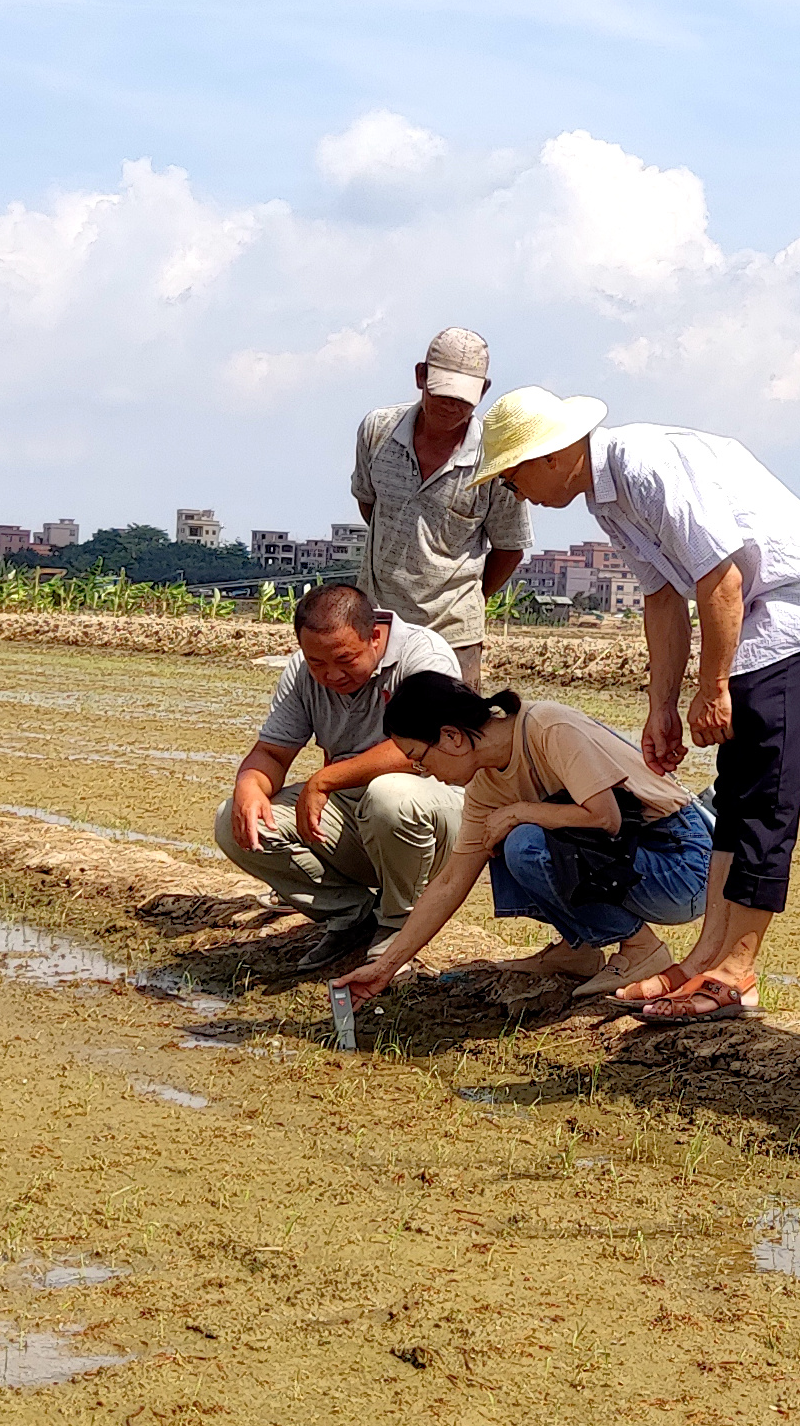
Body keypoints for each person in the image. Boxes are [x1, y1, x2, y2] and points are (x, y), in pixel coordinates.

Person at [462, 387, 800, 1025]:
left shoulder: (644, 465)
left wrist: (713, 687)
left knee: (766, 799)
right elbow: (664, 596)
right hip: (755, 627)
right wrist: (661, 705)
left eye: (514, 475)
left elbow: (722, 578)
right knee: (739, 790)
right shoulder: (608, 500)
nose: (516, 493)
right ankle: (705, 958)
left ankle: (737, 969)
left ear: (551, 455)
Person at [332, 673, 712, 1006]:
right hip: (634, 859)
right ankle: (577, 950)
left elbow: (605, 819)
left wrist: (520, 812)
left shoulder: (546, 727)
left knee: (523, 841)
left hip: (681, 864)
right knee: (507, 834)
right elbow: (450, 881)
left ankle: (642, 950)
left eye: (419, 758)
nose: (425, 772)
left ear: (451, 737)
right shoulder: (485, 785)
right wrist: (384, 968)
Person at [215, 582, 468, 972]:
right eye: (317, 663)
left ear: (375, 636)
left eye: (344, 659)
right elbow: (271, 753)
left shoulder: (424, 656)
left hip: (429, 812)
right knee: (235, 820)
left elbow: (421, 746)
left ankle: (401, 923)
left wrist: (325, 779)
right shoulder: (302, 672)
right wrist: (249, 785)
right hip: (352, 810)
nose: (331, 674)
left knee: (391, 795)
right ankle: (351, 915)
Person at [351, 327, 533, 689]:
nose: (452, 406)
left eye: (464, 398)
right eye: (444, 393)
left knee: (449, 739)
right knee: (364, 736)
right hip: (377, 622)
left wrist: (465, 599)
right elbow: (370, 506)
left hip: (454, 634)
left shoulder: (496, 461)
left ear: (483, 391)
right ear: (421, 376)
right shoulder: (378, 431)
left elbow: (510, 548)